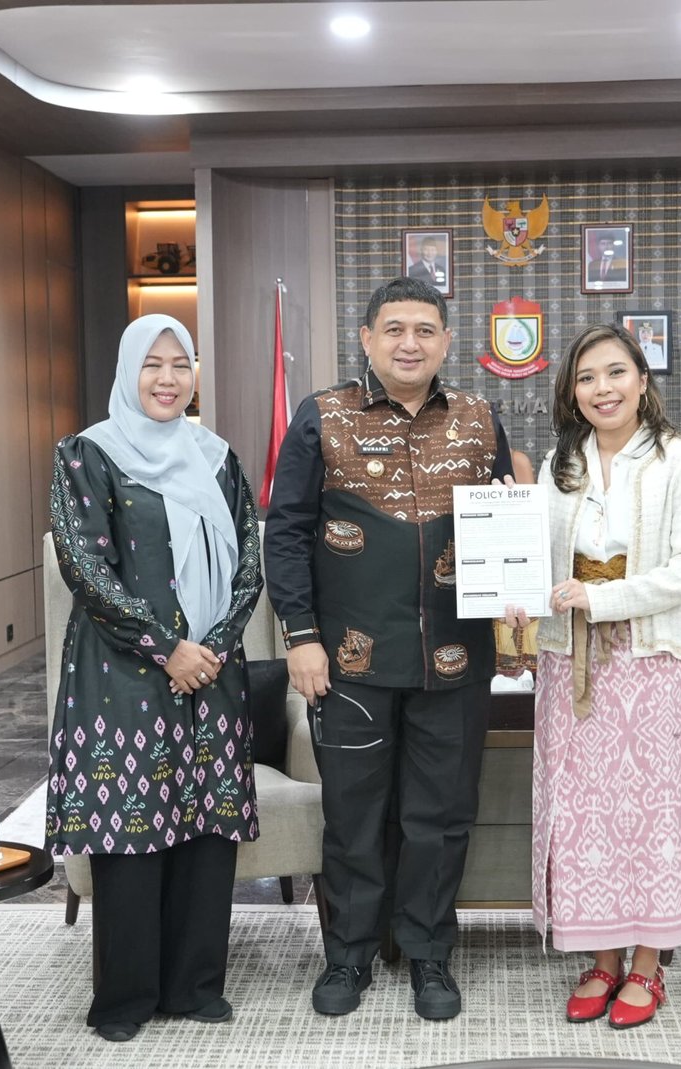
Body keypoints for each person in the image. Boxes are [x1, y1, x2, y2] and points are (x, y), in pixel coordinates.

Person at [265, 276, 514, 1021]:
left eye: (426, 330)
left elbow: (506, 526)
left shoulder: (478, 419)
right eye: (395, 329)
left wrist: (517, 614)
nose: (411, 343)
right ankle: (349, 954)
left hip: (457, 659)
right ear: (368, 339)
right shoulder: (323, 416)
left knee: (442, 815)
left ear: (446, 342)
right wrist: (301, 636)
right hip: (348, 660)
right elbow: (286, 533)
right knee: (354, 814)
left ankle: (429, 954)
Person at [46, 314, 264, 1043]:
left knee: (206, 828)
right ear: (128, 370)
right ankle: (125, 998)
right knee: (131, 829)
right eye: (153, 364)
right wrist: (168, 648)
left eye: (181, 364)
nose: (168, 379)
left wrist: (212, 647)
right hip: (124, 674)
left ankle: (195, 985)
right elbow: (86, 567)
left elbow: (249, 565)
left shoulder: (218, 458)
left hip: (213, 673)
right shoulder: (90, 454)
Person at [504, 323, 681, 1030]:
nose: (603, 388)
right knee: (581, 813)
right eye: (587, 377)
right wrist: (510, 572)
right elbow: (536, 558)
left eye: (616, 372)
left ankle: (648, 965)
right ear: (572, 392)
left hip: (648, 657)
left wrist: (603, 598)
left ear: (643, 380)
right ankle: (601, 959)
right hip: (570, 658)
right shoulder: (560, 465)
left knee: (649, 815)